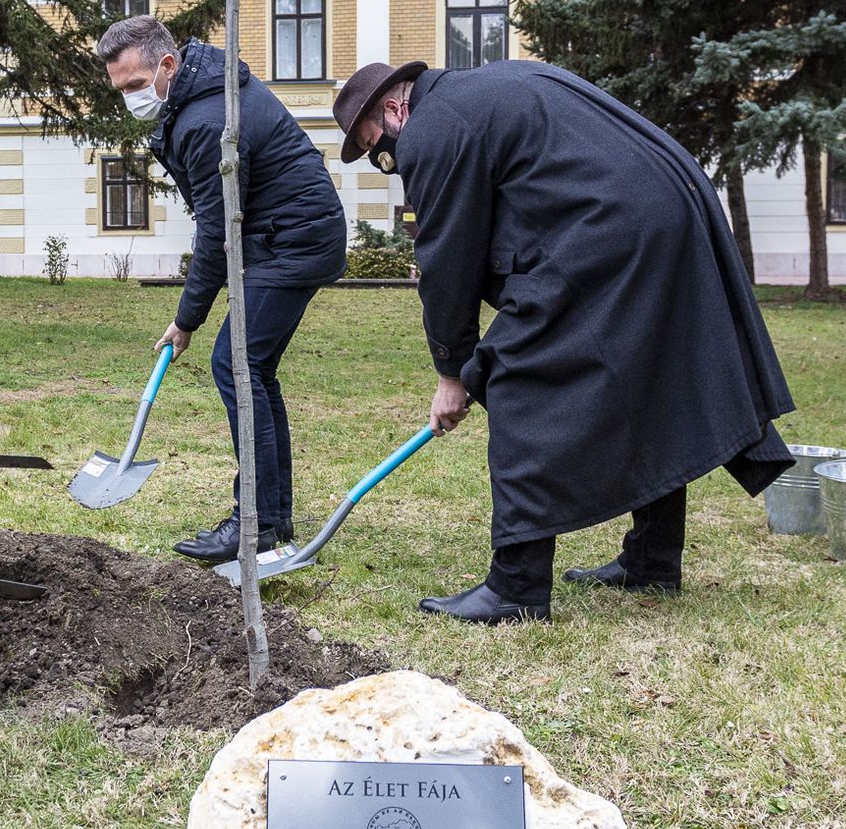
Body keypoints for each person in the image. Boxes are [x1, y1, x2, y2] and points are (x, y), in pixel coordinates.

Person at [331, 58, 796, 624]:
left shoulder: (433, 128)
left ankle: (516, 587)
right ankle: (652, 561)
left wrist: (453, 372)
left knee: (519, 377)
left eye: (380, 150)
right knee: (643, 377)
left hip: (618, 228)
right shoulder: (483, 91)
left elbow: (448, 261)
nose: (390, 164)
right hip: (664, 208)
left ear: (395, 109)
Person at [97, 16, 347, 563]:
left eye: (137, 86)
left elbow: (216, 228)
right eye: (121, 91)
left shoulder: (207, 119)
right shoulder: (204, 91)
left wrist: (187, 319)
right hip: (287, 235)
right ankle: (272, 517)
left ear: (167, 65)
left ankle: (254, 524)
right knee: (253, 369)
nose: (131, 99)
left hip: (292, 242)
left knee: (236, 366)